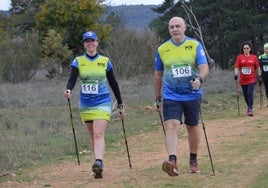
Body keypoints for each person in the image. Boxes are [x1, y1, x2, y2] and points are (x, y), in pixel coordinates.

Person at [63, 31, 124, 179]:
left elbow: (113, 83)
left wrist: (120, 103)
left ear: (97, 43)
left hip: (103, 102)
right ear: (84, 45)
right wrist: (68, 89)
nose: (90, 43)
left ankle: (99, 161)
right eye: (87, 41)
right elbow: (72, 79)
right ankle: (97, 165)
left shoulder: (105, 61)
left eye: (92, 41)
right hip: (86, 104)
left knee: (98, 133)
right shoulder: (78, 61)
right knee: (92, 135)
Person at [154, 17, 209, 176]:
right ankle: (172, 160)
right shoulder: (163, 49)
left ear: (185, 27)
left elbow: (204, 67)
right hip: (171, 95)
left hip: (192, 94)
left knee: (192, 126)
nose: (174, 29)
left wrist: (199, 79)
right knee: (171, 125)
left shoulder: (194, 45)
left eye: (178, 26)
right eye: (171, 27)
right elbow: (158, 74)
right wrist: (157, 97)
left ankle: (193, 159)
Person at [234, 42, 262, 116]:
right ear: (242, 49)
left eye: (247, 48)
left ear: (250, 49)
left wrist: (259, 76)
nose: (246, 49)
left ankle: (250, 109)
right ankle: (248, 106)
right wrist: (236, 74)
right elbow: (236, 67)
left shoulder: (254, 57)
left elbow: (257, 67)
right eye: (244, 48)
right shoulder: (239, 57)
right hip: (243, 79)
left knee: (250, 93)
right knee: (246, 95)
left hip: (251, 79)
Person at [258, 43, 268, 107]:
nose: (267, 50)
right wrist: (259, 75)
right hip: (264, 74)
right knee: (267, 88)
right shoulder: (261, 57)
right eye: (266, 49)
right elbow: (259, 66)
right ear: (264, 49)